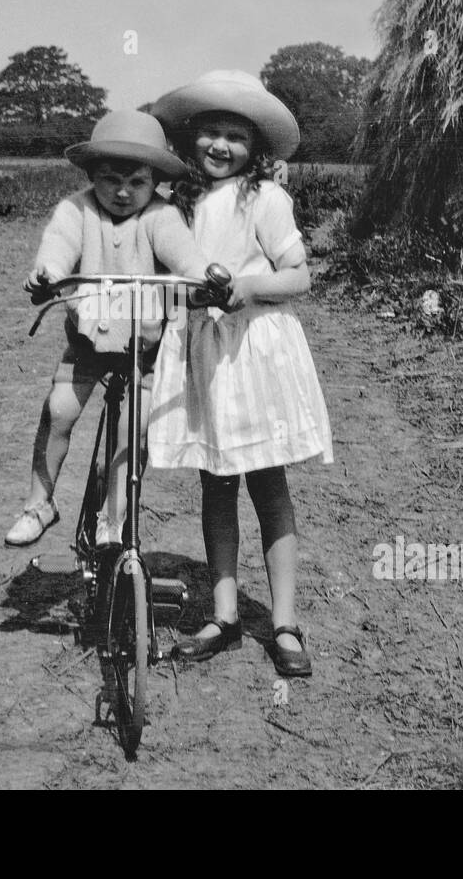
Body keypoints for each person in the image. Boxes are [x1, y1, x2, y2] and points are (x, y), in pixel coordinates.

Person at [147, 70, 334, 677]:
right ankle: (224, 614)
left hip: (253, 352)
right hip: (207, 352)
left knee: (267, 484)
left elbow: (299, 276)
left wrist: (248, 287)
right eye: (210, 134)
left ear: (256, 150)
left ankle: (284, 622)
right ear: (191, 141)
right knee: (216, 481)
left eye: (235, 136)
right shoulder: (180, 204)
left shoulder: (266, 200)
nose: (220, 147)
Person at [5, 110, 210, 547]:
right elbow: (58, 247)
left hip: (143, 349)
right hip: (87, 344)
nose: (122, 192)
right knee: (59, 410)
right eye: (109, 179)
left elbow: (184, 256)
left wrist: (202, 278)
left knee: (131, 429)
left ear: (154, 181)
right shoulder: (76, 209)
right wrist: (48, 274)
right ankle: (40, 502)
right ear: (92, 175)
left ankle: (112, 519)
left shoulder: (161, 216)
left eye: (136, 181)